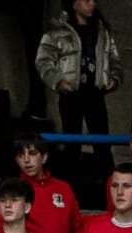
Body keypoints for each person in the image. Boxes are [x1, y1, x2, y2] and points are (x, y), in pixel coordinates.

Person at [36, 0, 121, 168]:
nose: (92, 4)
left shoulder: (101, 30)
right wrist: (58, 82)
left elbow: (114, 59)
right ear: (74, 4)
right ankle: (69, 185)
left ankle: (108, 182)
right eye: (86, 0)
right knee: (71, 142)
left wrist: (114, 78)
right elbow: (43, 61)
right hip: (70, 92)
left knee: (102, 143)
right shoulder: (57, 31)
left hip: (95, 92)